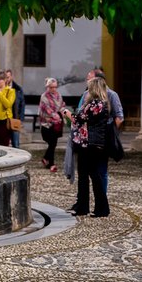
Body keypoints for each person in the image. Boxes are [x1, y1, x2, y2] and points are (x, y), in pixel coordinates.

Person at [67, 76, 112, 217]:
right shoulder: (102, 104)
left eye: (89, 87)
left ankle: (97, 208)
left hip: (88, 144)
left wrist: (67, 113)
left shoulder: (95, 104)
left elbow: (78, 119)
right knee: (90, 175)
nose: (87, 90)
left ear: (94, 89)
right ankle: (87, 207)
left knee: (90, 176)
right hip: (92, 143)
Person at [39, 77, 65, 172]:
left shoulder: (59, 95)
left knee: (53, 143)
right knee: (52, 144)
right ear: (47, 87)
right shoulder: (44, 96)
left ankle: (49, 162)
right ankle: (50, 162)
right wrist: (55, 116)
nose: (53, 89)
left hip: (56, 124)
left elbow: (62, 106)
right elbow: (46, 109)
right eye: (51, 87)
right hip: (47, 124)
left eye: (55, 87)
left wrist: (65, 114)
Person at [5, 69, 25, 148]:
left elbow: (22, 104)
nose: (7, 79)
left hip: (15, 118)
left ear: (11, 77)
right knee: (3, 144)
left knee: (16, 144)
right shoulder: (2, 89)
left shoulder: (18, 89)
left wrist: (21, 119)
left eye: (8, 77)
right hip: (4, 119)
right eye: (5, 77)